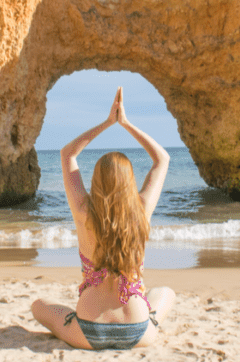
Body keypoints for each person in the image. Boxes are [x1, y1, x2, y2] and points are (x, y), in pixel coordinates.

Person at [31, 87, 176, 349]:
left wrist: (108, 123)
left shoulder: (84, 212)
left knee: (39, 306)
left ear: (96, 180)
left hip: (88, 332)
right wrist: (126, 124)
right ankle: (150, 320)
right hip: (138, 331)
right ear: (130, 181)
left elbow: (67, 154)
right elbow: (162, 159)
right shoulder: (141, 210)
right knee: (165, 293)